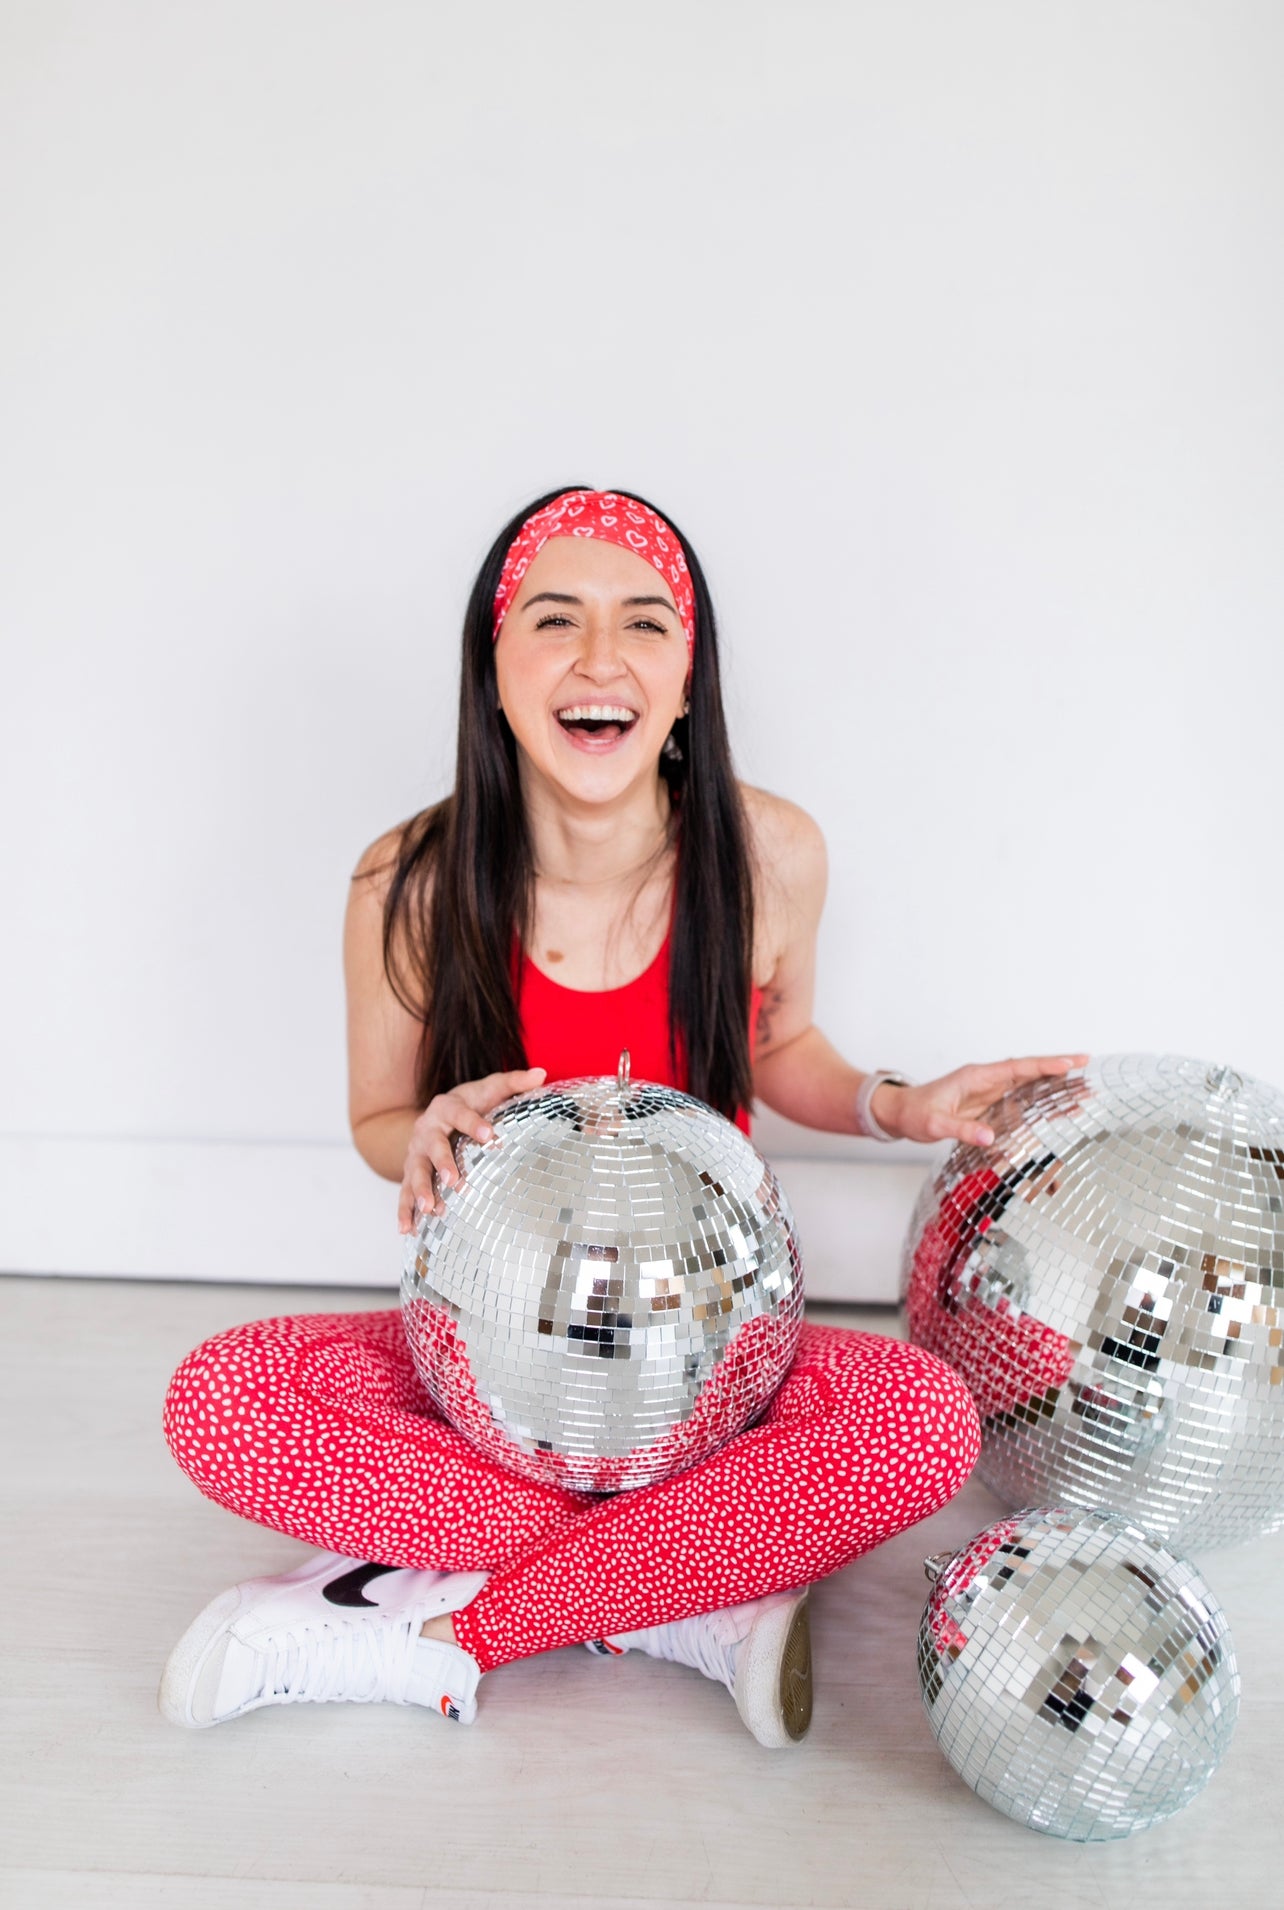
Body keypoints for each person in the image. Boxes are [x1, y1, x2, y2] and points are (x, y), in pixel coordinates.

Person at [159, 486, 1087, 1747]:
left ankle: (444, 1629)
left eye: (644, 623)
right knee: (220, 1398)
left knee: (922, 1423)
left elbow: (778, 1049)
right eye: (556, 620)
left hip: (720, 1377)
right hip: (489, 1378)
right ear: (494, 671)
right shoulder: (408, 882)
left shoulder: (770, 854)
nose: (601, 659)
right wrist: (428, 1124)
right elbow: (381, 1117)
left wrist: (896, 1102)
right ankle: (688, 1590)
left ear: (688, 676)